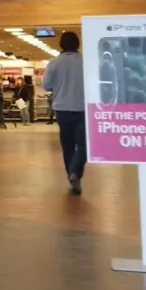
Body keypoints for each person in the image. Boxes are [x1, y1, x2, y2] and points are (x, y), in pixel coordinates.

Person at [43, 31, 87, 195]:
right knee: (84, 145)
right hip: (82, 108)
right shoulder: (85, 61)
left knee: (67, 145)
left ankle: (71, 175)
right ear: (78, 44)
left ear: (61, 45)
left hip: (62, 108)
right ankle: (76, 172)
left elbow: (47, 85)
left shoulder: (54, 63)